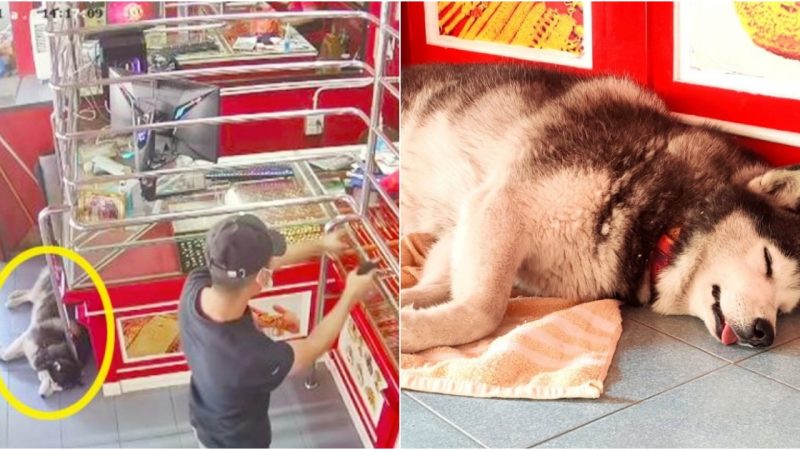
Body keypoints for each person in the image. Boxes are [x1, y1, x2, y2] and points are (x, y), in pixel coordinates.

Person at [178, 214, 376, 448]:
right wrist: (351, 294)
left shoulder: (196, 284)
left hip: (204, 420)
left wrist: (321, 245)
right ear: (262, 277)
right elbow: (314, 346)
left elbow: (259, 271)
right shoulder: (251, 358)